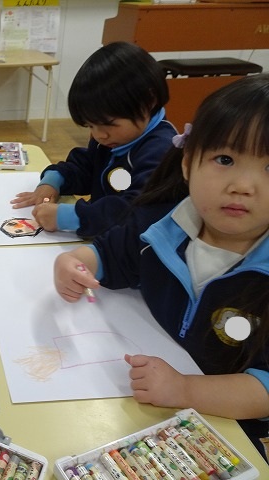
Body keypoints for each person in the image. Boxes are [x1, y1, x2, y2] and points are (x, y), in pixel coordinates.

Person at [53, 74, 269, 458]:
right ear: (188, 163)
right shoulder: (163, 223)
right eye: (225, 159)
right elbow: (110, 255)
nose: (243, 186)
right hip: (136, 412)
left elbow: (264, 389)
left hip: (219, 427)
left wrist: (185, 389)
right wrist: (74, 261)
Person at [12, 41, 176, 239]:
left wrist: (72, 217)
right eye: (90, 126)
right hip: (103, 240)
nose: (99, 135)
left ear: (148, 101)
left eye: (109, 124)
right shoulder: (113, 138)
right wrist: (54, 180)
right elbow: (88, 168)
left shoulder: (162, 151)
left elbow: (134, 213)